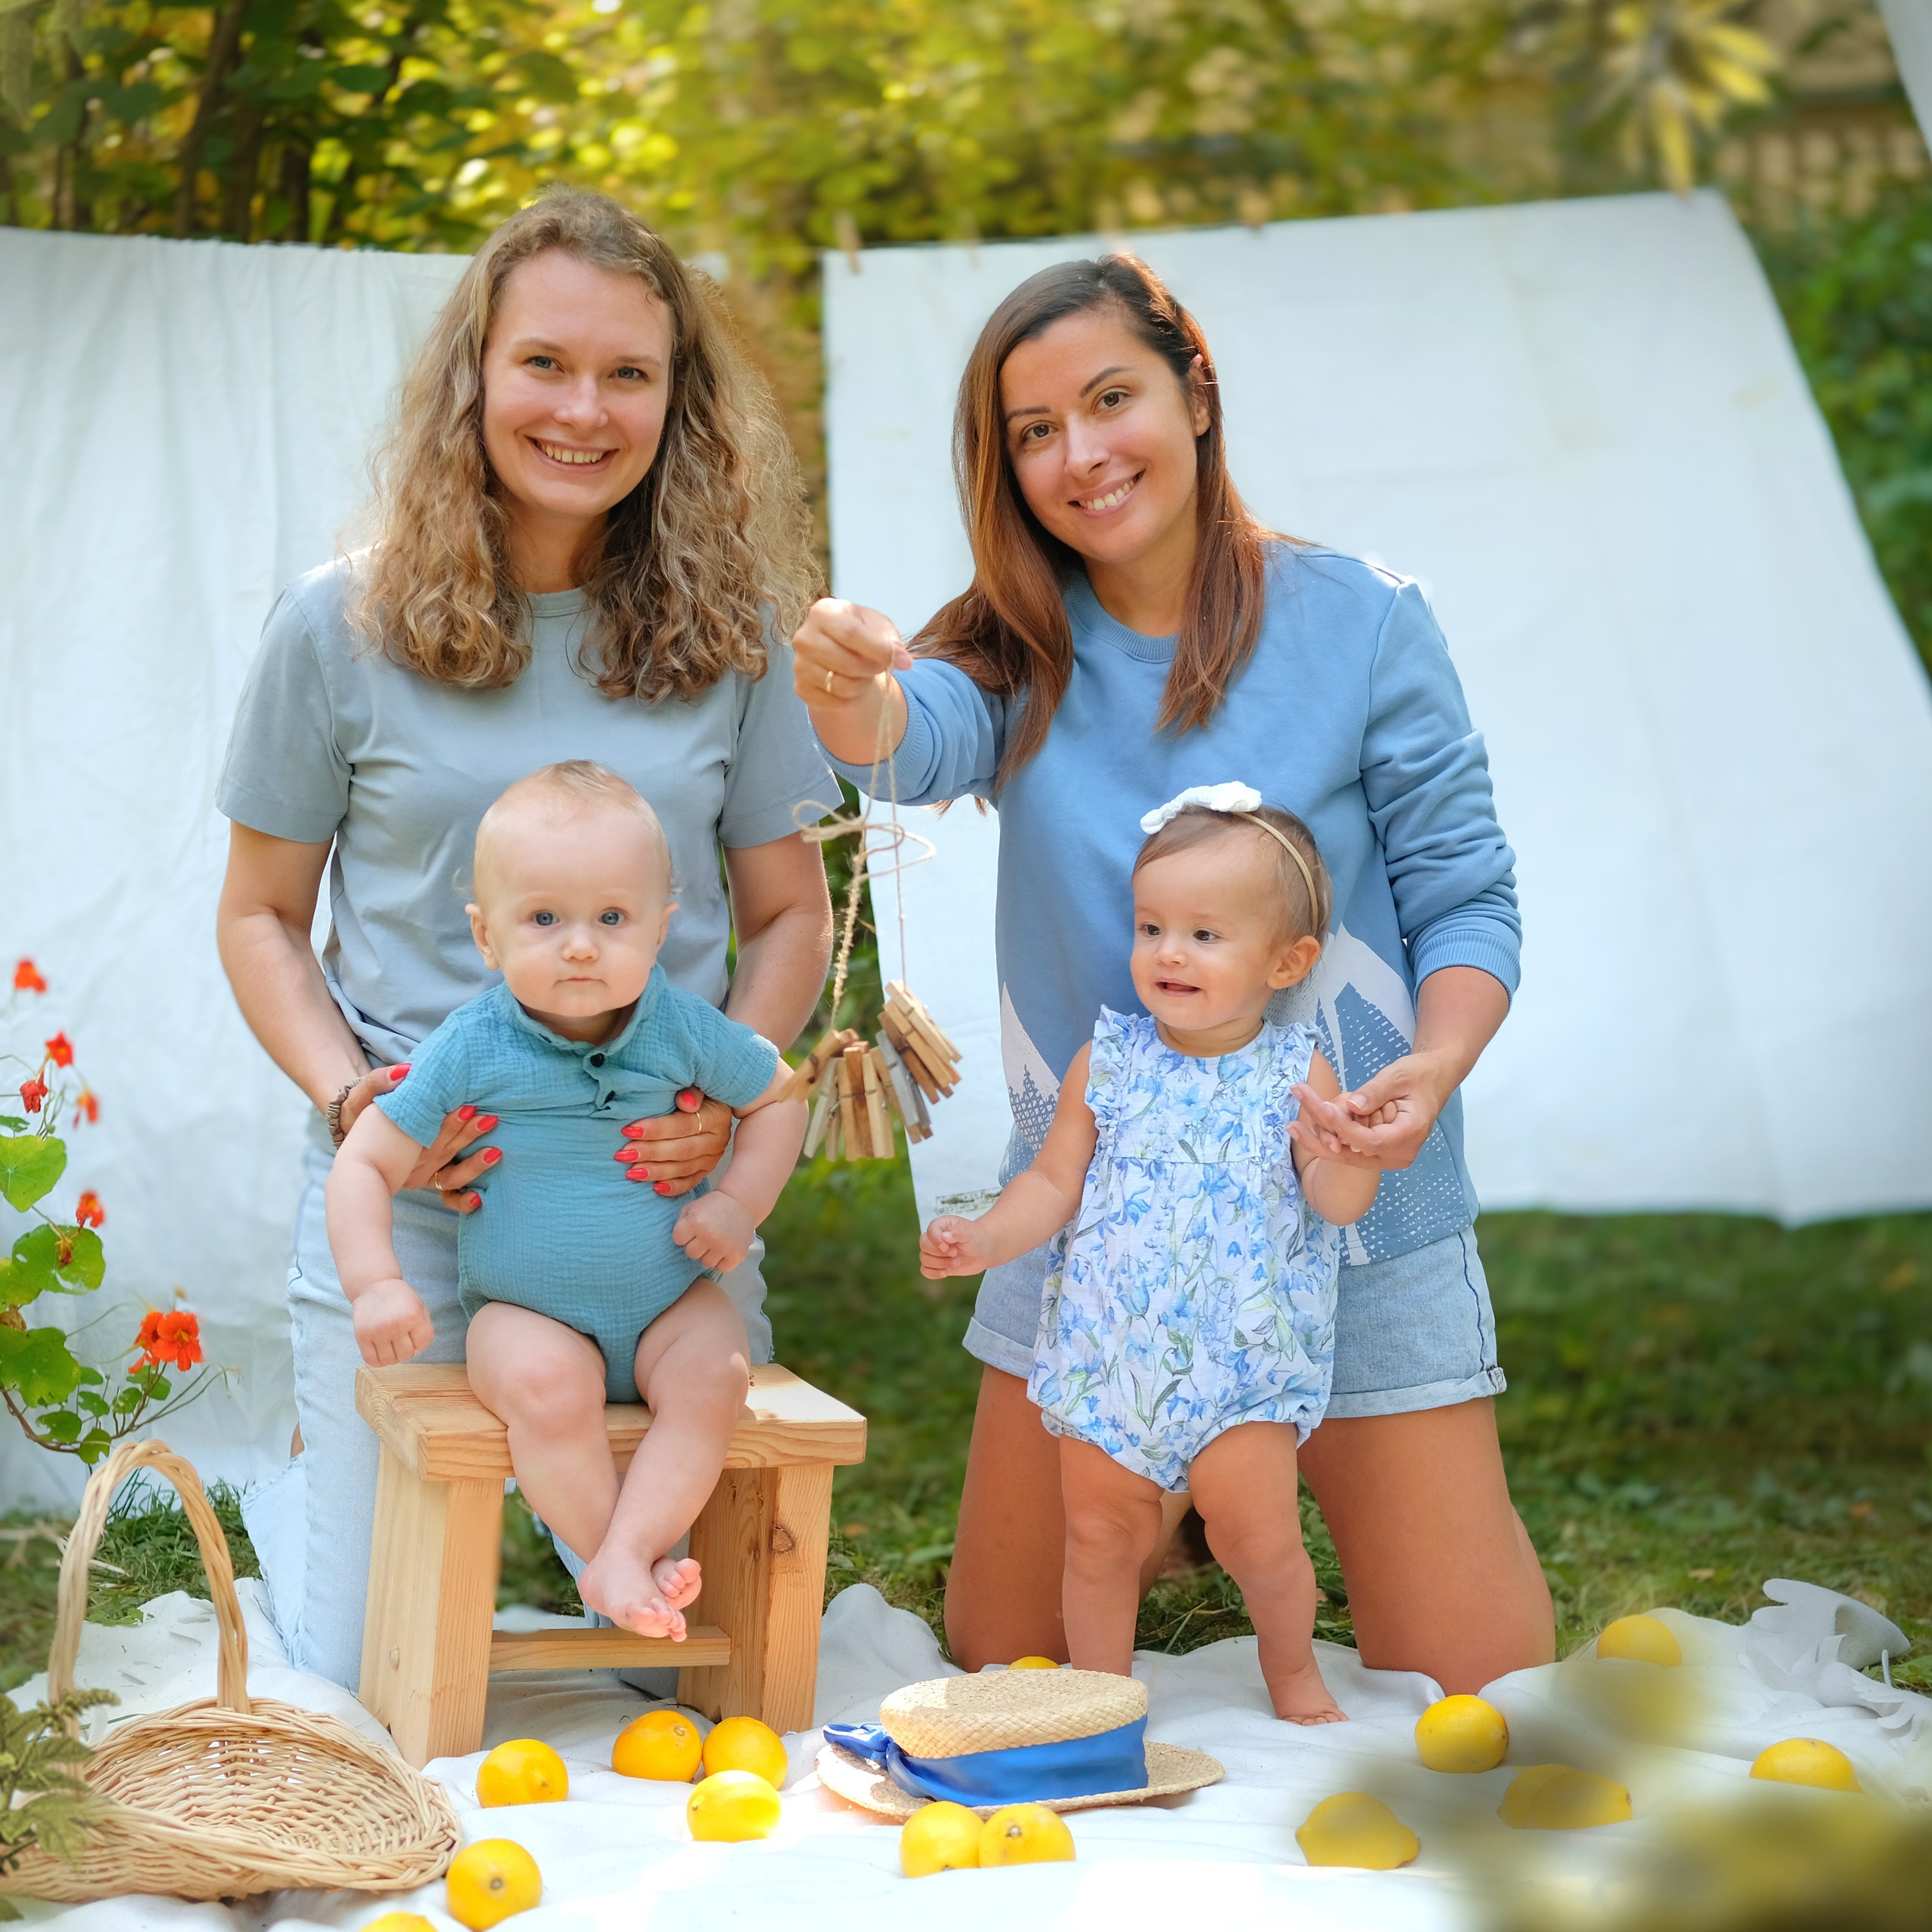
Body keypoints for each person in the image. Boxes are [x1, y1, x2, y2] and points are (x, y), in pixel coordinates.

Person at [793, 252, 1555, 1690]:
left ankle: (1237, 1493)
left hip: (1349, 1218)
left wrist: (1433, 1066)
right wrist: (841, 679)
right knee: (1006, 1657)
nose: (1079, 455)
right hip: (1103, 1241)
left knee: (1482, 1683)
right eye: (1032, 431)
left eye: (1110, 399)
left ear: (1196, 392)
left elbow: (1467, 896)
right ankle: (1175, 1501)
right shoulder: (1013, 655)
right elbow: (903, 734)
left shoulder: (1367, 621)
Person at [216, 187, 834, 1688]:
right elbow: (258, 917)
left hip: (652, 1203)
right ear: (473, 377)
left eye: (630, 372)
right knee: (369, 1663)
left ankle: (605, 1557)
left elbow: (787, 912)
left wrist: (715, 1106)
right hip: (424, 1189)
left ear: (678, 401)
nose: (583, 407)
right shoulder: (337, 626)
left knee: (662, 1653)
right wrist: (360, 1102)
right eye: (545, 363)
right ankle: (303, 1488)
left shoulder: (735, 630)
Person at [921, 789, 1379, 1722]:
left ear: (1285, 962)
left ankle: (1292, 1675)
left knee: (1261, 1541)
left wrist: (1347, 1155)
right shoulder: (1112, 1059)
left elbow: (1331, 1206)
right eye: (1151, 926)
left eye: (1205, 935)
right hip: (1111, 1358)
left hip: (1239, 1365)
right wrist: (986, 1237)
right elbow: (1054, 1185)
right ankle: (1102, 1696)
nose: (1169, 952)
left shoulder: (1296, 1073)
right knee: (1097, 1538)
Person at [329, 764, 807, 1635]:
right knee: (546, 1386)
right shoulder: (472, 1045)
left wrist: (739, 1200)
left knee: (716, 1372)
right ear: (486, 934)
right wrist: (376, 1283)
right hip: (526, 1313)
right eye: (544, 919)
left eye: (612, 918)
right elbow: (363, 1163)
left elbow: (781, 1095)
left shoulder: (683, 1029)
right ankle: (616, 1559)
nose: (580, 945)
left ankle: (629, 1558)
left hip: (668, 1300)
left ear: (662, 928)